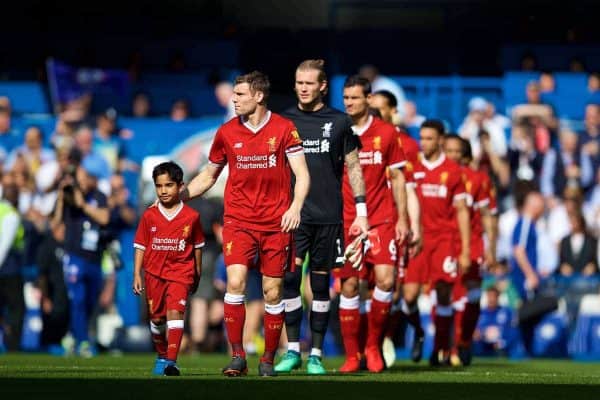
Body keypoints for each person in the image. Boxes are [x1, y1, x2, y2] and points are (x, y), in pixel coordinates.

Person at [181, 71, 310, 377]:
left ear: (259, 96)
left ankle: (267, 359)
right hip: (238, 221)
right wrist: (179, 196)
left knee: (272, 291)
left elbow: (302, 174)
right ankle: (238, 356)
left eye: (239, 95)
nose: (233, 99)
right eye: (234, 94)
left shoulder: (284, 128)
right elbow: (208, 176)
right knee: (236, 283)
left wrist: (295, 207)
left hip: (276, 222)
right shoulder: (226, 132)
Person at [272, 60, 368, 375]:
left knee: (320, 285)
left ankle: (315, 354)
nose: (303, 87)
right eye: (299, 82)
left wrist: (362, 211)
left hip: (328, 216)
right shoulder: (284, 120)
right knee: (289, 280)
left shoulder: (340, 122)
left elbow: (353, 166)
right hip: (294, 217)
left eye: (309, 83)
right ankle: (293, 351)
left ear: (322, 86)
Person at [336, 75, 414, 373]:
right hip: (346, 221)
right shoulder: (337, 131)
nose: (349, 104)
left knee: (385, 280)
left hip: (381, 218)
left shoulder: (387, 133)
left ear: (368, 99)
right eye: (345, 99)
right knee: (350, 285)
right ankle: (352, 355)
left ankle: (373, 345)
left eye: (354, 98)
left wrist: (403, 218)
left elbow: (397, 177)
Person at [403, 120, 471, 366]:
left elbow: (462, 210)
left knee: (443, 294)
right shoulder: (413, 167)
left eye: (430, 138)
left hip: (443, 240)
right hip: (417, 239)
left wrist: (464, 250)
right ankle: (419, 333)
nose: (425, 143)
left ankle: (441, 349)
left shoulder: (453, 171)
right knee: (409, 296)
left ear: (440, 140)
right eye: (422, 138)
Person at [133, 161, 204, 376]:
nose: (164, 191)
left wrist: (197, 273)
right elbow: (140, 245)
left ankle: (172, 362)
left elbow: (197, 247)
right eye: (159, 186)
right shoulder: (149, 215)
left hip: (181, 272)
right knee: (156, 319)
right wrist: (137, 273)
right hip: (154, 273)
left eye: (169, 185)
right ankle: (162, 355)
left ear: (180, 186)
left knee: (176, 312)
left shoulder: (192, 217)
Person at [444, 135, 497, 366]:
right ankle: (448, 347)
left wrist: (491, 248)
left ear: (465, 155)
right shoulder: (440, 176)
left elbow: (488, 216)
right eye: (448, 150)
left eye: (457, 151)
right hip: (446, 241)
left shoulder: (479, 179)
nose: (452, 155)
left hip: (472, 242)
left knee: (472, 295)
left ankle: (464, 341)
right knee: (447, 295)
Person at [52, 156, 110, 356]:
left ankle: (73, 334)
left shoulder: (99, 196)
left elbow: (104, 218)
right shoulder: (67, 198)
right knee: (77, 298)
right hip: (74, 254)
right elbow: (55, 225)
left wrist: (83, 205)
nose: (84, 181)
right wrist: (61, 199)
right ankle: (83, 342)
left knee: (90, 301)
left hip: (94, 256)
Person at [0, 183, 24, 352]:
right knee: (17, 308)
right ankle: (12, 345)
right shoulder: (11, 215)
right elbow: (4, 246)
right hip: (8, 270)